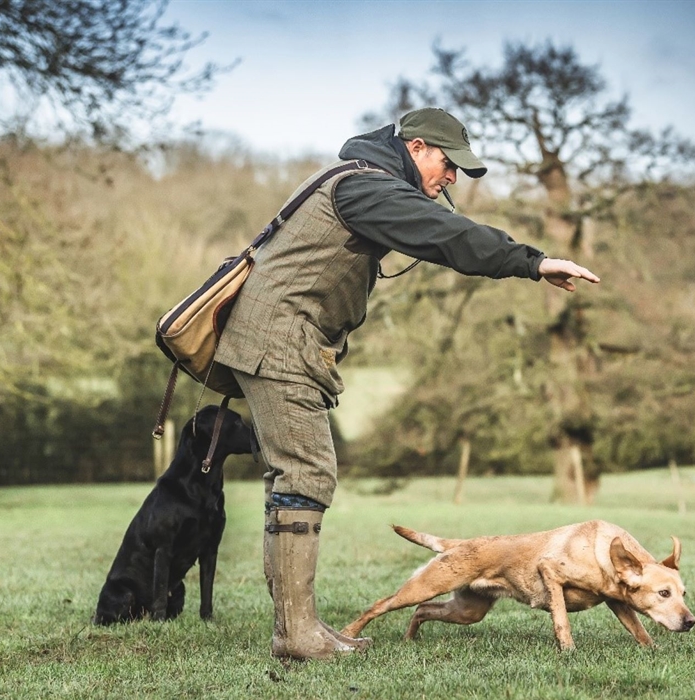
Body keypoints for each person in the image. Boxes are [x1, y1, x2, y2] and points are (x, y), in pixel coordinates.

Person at [215, 107, 599, 661]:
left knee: (294, 474)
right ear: (416, 148)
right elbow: (446, 234)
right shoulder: (365, 188)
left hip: (282, 337)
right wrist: (532, 262)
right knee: (305, 472)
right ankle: (296, 635)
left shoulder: (360, 180)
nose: (451, 180)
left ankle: (298, 628)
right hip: (280, 339)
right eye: (448, 165)